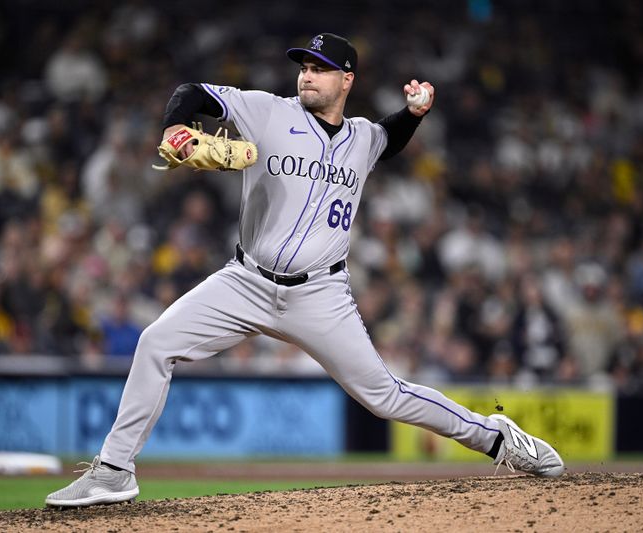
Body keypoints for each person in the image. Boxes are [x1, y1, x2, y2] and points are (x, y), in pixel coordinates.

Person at [46, 33, 564, 508]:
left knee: (384, 396)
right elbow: (191, 93)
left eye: (320, 68)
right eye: (304, 66)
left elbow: (390, 137)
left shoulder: (362, 138)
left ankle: (498, 438)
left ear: (346, 79)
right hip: (244, 280)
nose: (307, 75)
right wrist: (176, 128)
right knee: (156, 343)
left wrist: (416, 113)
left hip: (320, 294)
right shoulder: (266, 111)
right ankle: (114, 469)